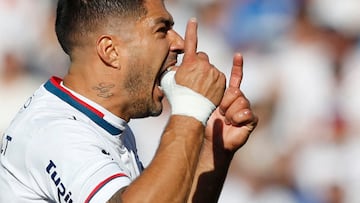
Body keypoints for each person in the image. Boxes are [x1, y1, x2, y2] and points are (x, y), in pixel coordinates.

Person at [0, 0, 258, 202]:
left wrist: (213, 151)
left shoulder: (102, 121)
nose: (178, 43)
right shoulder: (55, 132)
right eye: (162, 29)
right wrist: (189, 109)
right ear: (111, 51)